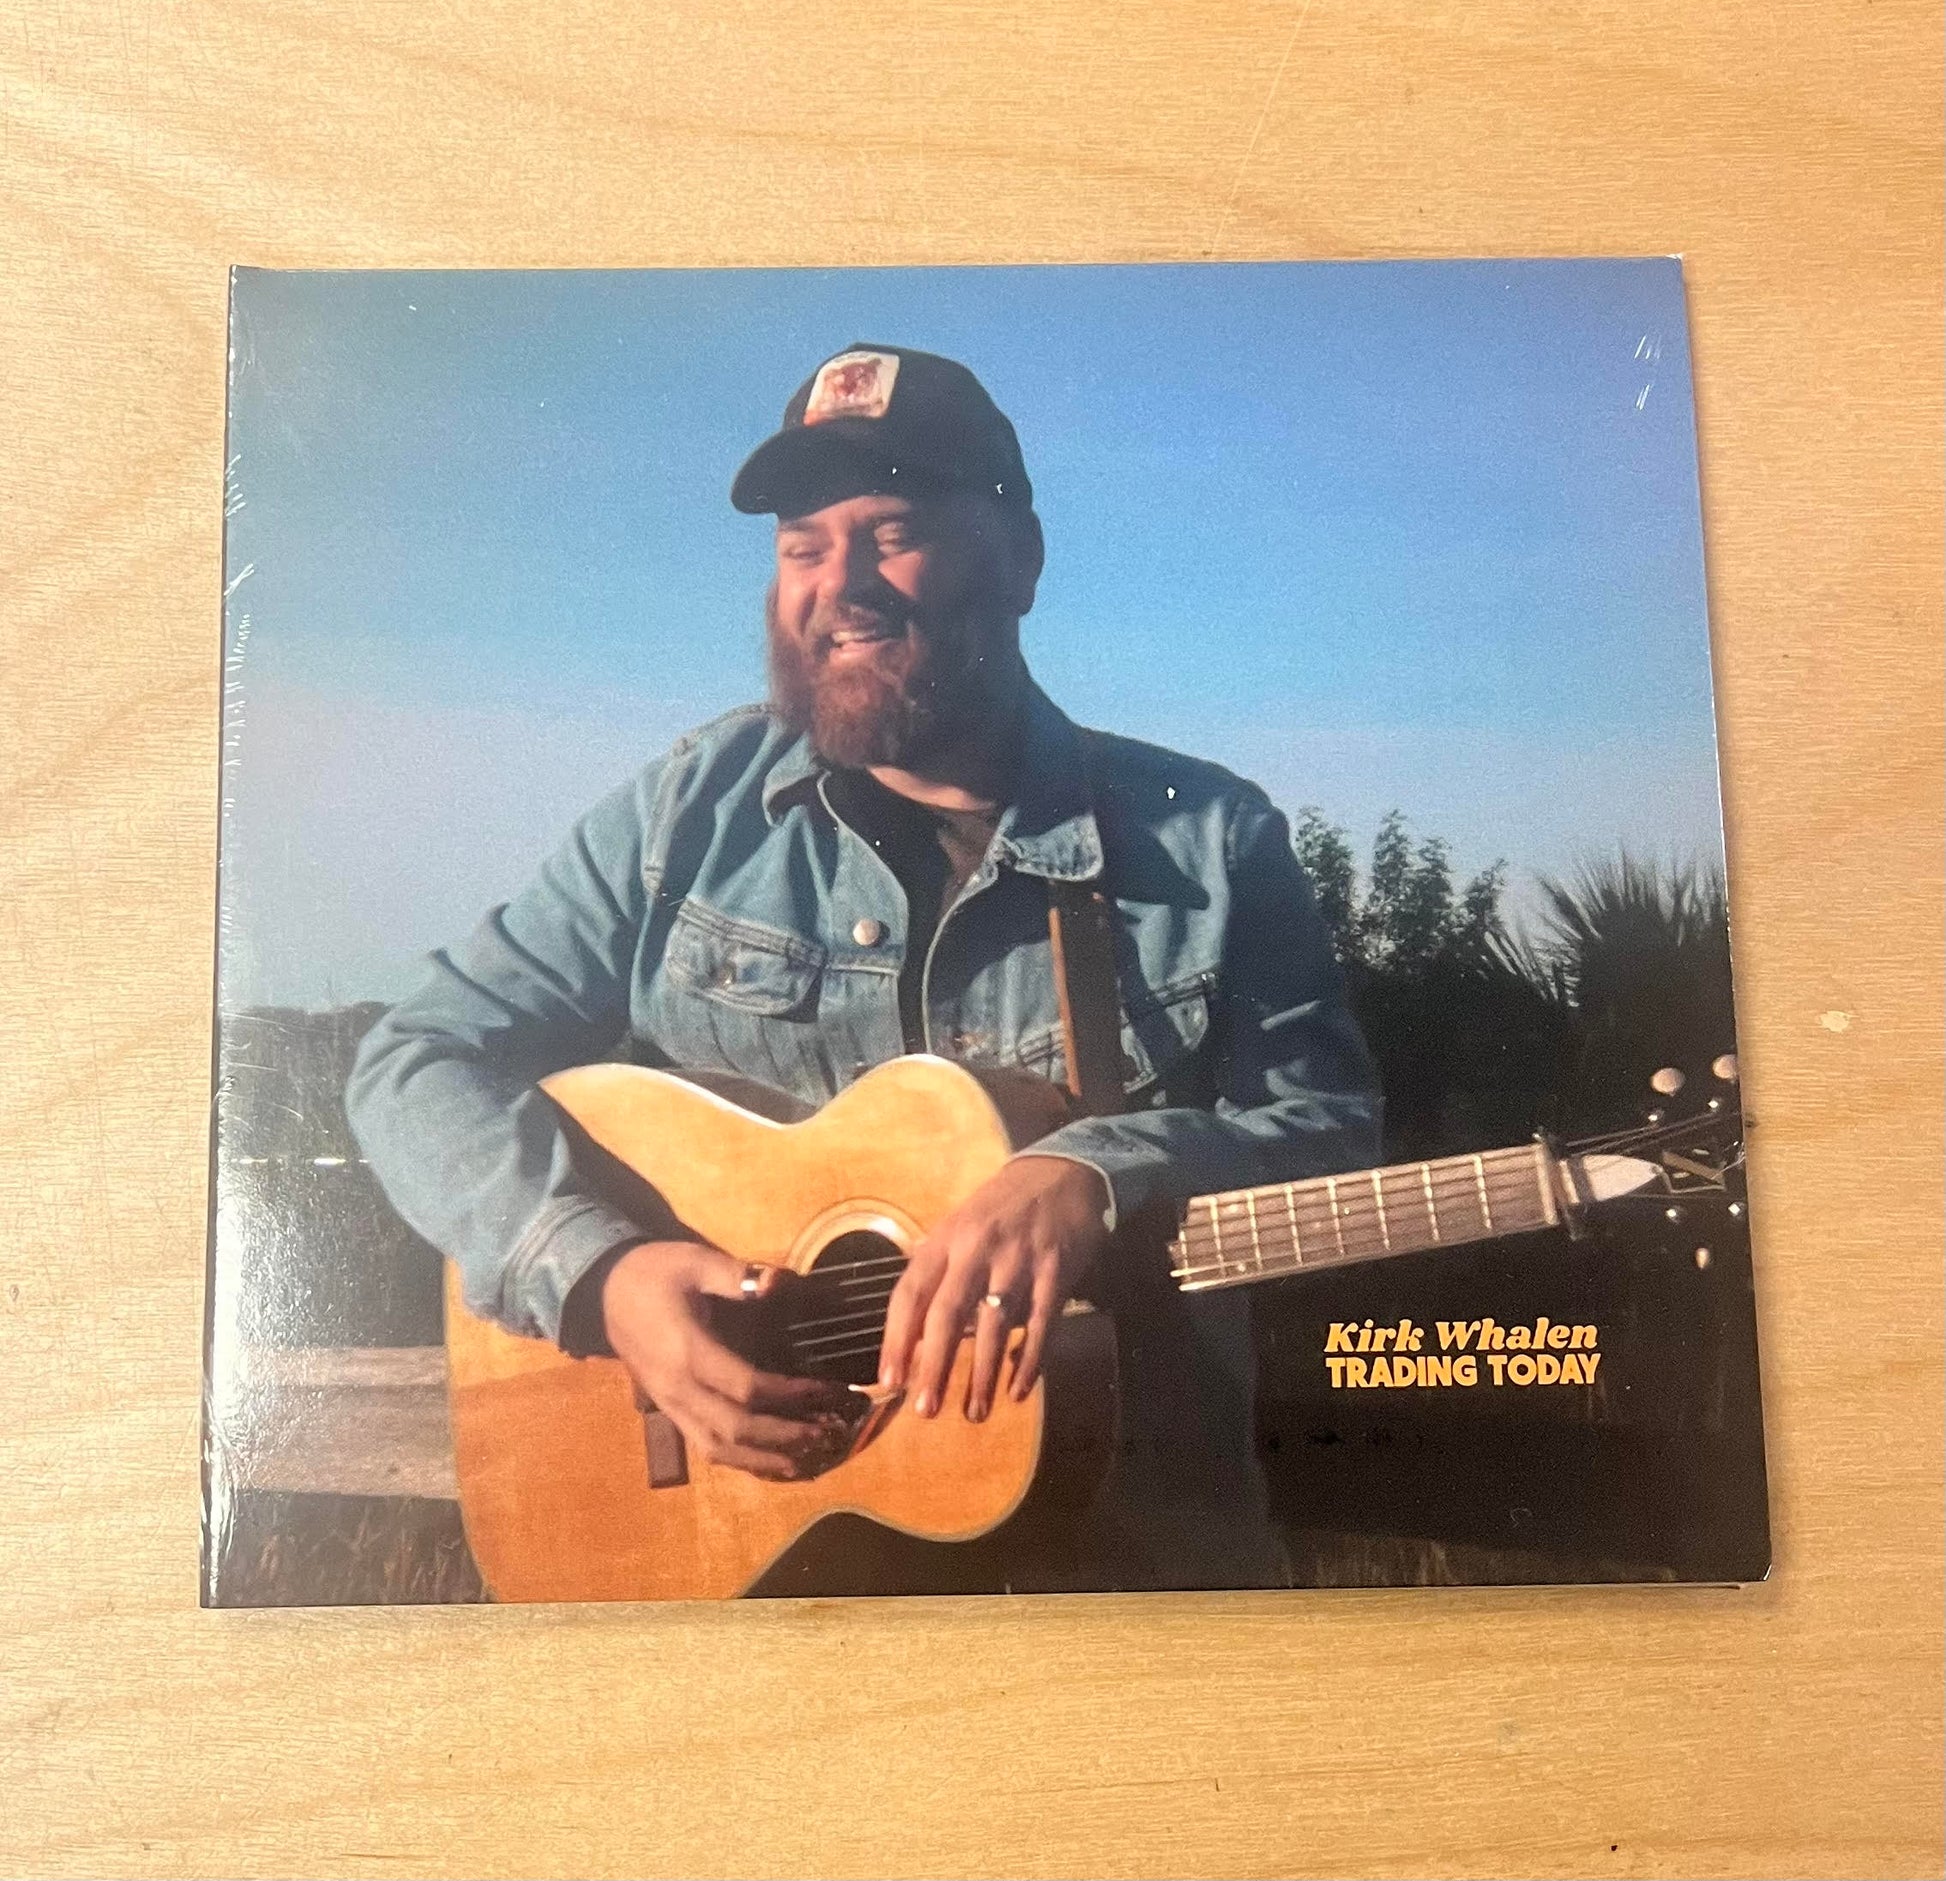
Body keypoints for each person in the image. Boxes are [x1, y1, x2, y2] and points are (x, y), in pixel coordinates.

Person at [347, 343, 1380, 1595]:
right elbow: (416, 1058)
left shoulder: (1208, 842)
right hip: (763, 1598)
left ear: (1019, 562)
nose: (837, 587)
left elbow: (1332, 1140)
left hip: (1125, 1578)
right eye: (801, 547)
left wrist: (1097, 1174)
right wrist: (602, 1277)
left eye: (892, 534)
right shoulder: (687, 812)